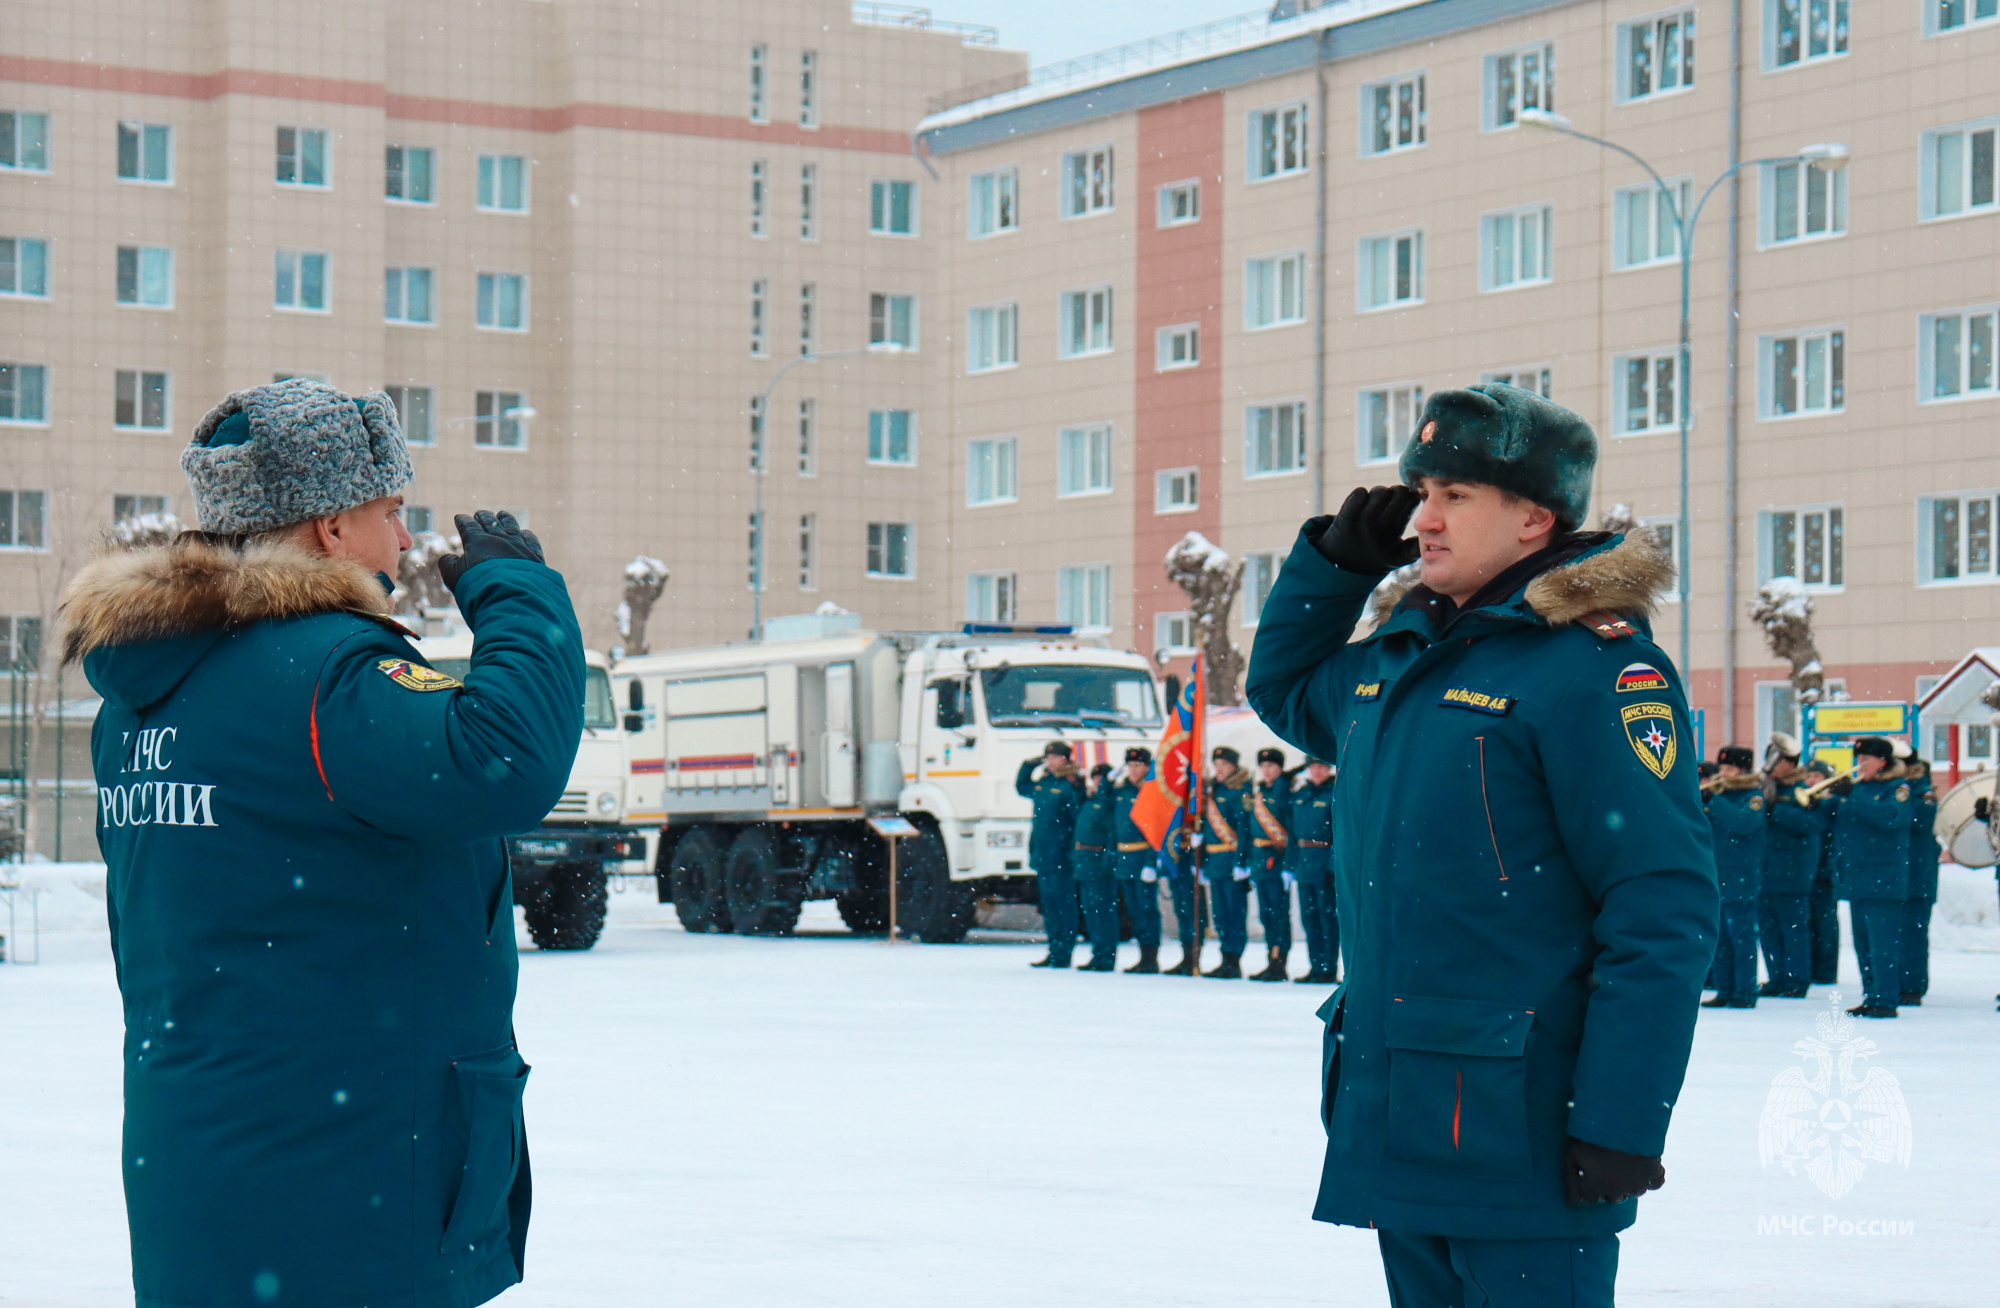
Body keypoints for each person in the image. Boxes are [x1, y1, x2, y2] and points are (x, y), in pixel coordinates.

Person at [65, 379, 584, 1308]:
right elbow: (500, 760)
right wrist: (520, 596)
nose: (406, 539)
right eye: (392, 509)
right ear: (333, 528)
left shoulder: (141, 699)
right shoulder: (325, 676)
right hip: (348, 1175)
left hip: (202, 1159)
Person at [1245, 384, 1717, 1308]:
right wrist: (1336, 569)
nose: (1422, 519)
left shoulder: (1593, 667)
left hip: (1527, 1132)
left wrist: (1620, 1120)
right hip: (1403, 1111)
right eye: (1421, 492)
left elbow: (1661, 905)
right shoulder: (1398, 656)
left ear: (1536, 516)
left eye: (1454, 496)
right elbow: (1284, 689)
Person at [1828, 736, 1915, 1018]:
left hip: (1883, 878)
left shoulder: (1897, 788)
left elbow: (1891, 817)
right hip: (1857, 878)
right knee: (1864, 944)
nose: (1860, 764)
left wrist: (1851, 797)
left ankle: (1886, 999)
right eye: (1858, 759)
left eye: (1867, 759)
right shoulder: (1858, 789)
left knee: (1883, 945)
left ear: (1883, 761)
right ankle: (1872, 995)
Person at [1702, 745, 1766, 1009]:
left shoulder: (1752, 796)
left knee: (1742, 939)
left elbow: (1744, 824)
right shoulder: (1720, 795)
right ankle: (1725, 988)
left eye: (1729, 769)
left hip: (1741, 877)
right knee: (1721, 939)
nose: (1724, 774)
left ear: (1742, 770)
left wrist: (1714, 801)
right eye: (1722, 768)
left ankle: (1745, 990)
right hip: (1717, 876)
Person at [1757, 733, 1818, 998]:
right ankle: (1776, 978)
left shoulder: (1800, 789)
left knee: (1793, 930)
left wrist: (1776, 811)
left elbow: (1812, 824)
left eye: (1779, 760)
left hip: (1792, 871)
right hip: (1765, 870)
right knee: (1769, 930)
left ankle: (1796, 980)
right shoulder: (1765, 787)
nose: (1773, 765)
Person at [1018, 742, 1084, 970]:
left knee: (1064, 904)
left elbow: (1075, 822)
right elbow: (1022, 787)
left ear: (1065, 760)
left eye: (1055, 757)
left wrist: (1071, 853)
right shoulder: (1044, 783)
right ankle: (1054, 949)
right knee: (1049, 905)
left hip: (1061, 856)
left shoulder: (1070, 785)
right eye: (1048, 757)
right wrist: (1028, 765)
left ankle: (1064, 952)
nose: (1051, 761)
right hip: (1043, 854)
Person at [1110, 747, 1164, 974]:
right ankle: (1143, 955)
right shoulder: (1122, 791)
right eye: (1130, 766)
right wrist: (1107, 780)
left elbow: (1157, 830)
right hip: (1125, 858)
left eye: (1138, 765)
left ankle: (1150, 957)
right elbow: (1105, 804)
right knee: (1133, 910)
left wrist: (1151, 863)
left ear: (1147, 767)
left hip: (1142, 858)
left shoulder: (1151, 791)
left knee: (1147, 910)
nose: (1133, 770)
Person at [1202, 746, 1253, 979]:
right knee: (1220, 914)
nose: (1219, 769)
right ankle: (1225, 957)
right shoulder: (1211, 790)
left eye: (1223, 764)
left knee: (1235, 912)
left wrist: (1241, 861)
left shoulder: (1240, 791)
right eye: (1216, 764)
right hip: (1215, 862)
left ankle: (1234, 959)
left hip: (1232, 861)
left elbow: (1244, 829)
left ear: (1234, 766)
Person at [1288, 757, 1340, 985]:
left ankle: (1328, 968)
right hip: (1304, 863)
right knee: (1309, 919)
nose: (1317, 771)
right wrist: (1290, 866)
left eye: (1321, 766)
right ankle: (1315, 965)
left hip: (1324, 863)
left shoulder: (1334, 794)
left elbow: (1340, 834)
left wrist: (1332, 865)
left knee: (1326, 918)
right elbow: (1292, 834)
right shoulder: (1301, 796)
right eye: (1313, 767)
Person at [1247, 747, 1296, 982]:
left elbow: (1292, 830)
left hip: (1276, 858)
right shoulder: (1260, 791)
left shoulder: (1284, 790)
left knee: (1278, 913)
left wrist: (1288, 864)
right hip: (1259, 859)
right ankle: (1271, 958)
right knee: (1266, 914)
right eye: (1264, 766)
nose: (1267, 770)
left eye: (1272, 766)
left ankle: (1279, 961)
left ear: (1280, 768)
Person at [1072, 762, 1121, 971]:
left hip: (1099, 861)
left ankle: (1105, 956)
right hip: (1084, 861)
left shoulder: (1109, 801)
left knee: (1103, 912)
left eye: (1103, 778)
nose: (1099, 781)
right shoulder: (1088, 801)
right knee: (1091, 911)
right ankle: (1097, 952)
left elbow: (1112, 831)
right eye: (1096, 777)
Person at [1901, 756, 1940, 1006]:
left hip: (1917, 876)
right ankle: (1899, 983)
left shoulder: (1922, 792)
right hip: (1901, 875)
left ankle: (1912, 986)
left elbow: (1917, 822)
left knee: (1913, 934)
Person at [1804, 758, 1843, 984]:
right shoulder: (1808, 800)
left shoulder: (1831, 802)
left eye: (1816, 778)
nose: (1811, 781)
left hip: (1825, 869)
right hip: (1808, 869)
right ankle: (1811, 966)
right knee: (1808, 921)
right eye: (1809, 777)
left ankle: (1826, 970)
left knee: (1825, 922)